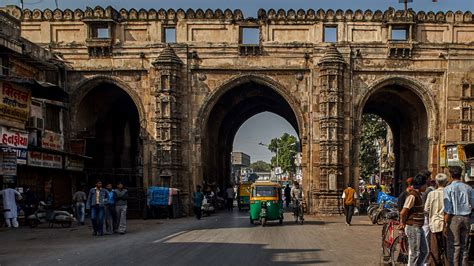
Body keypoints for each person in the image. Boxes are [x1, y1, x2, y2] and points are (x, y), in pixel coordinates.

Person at [443, 166, 473, 266]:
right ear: (461, 175)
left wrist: (445, 225)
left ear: (451, 175)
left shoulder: (448, 188)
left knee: (454, 246)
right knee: (464, 246)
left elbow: (447, 209)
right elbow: (473, 204)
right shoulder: (468, 188)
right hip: (466, 218)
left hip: (454, 218)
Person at [399, 173, 428, 266]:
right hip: (413, 226)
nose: (426, 186)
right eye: (425, 184)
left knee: (424, 251)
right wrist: (402, 223)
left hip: (418, 227)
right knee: (415, 253)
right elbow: (403, 212)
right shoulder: (413, 196)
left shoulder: (419, 195)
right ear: (421, 185)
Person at [424, 173, 448, 266]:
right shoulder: (448, 192)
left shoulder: (431, 194)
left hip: (434, 224)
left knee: (434, 250)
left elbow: (426, 209)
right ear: (446, 182)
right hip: (446, 224)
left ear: (437, 183)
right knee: (447, 249)